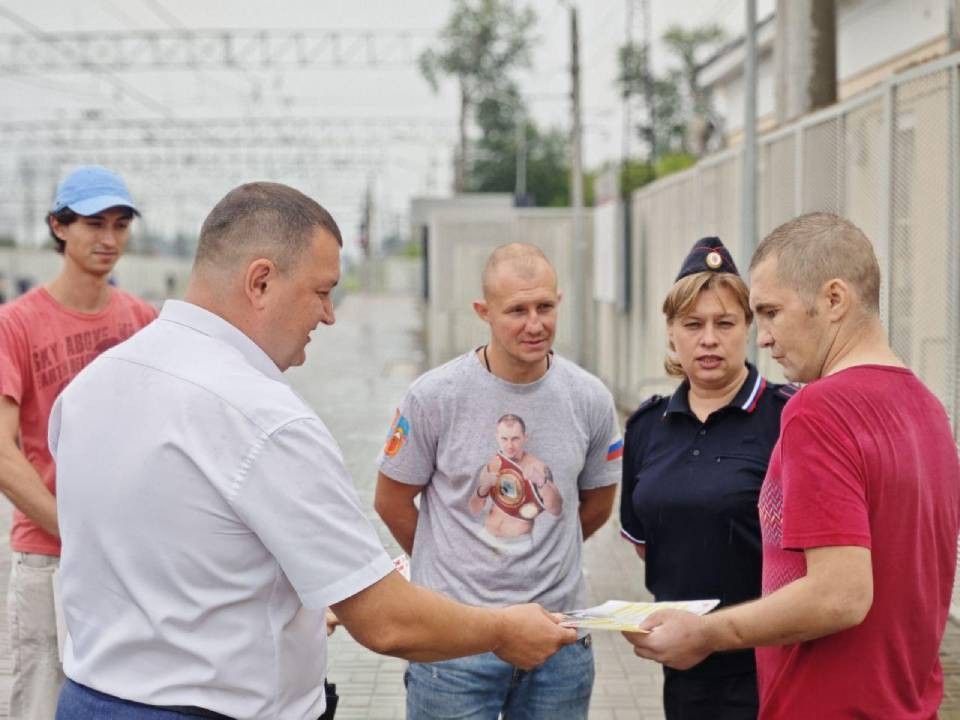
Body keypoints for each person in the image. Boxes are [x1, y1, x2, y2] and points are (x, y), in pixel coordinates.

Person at [49, 183, 576, 720]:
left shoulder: (89, 389)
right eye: (322, 291)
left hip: (89, 698)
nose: (328, 316)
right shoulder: (266, 419)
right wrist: (503, 629)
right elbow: (386, 621)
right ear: (261, 281)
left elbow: (175, 555)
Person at [623, 213, 960, 719]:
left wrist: (708, 634)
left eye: (771, 312)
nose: (764, 336)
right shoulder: (928, 407)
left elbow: (840, 596)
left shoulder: (815, 410)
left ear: (833, 300)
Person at [375, 242, 622, 720]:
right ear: (483, 312)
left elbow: (594, 506)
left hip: (559, 642)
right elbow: (391, 501)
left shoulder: (589, 399)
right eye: (517, 311)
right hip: (454, 648)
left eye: (545, 307)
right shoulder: (433, 397)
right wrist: (447, 567)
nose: (535, 324)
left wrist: (536, 551)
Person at [0, 165, 157, 720]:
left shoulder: (143, 321)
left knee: (125, 701)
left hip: (124, 557)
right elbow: (3, 454)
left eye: (120, 224)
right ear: (58, 227)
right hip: (49, 557)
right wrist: (75, 528)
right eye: (93, 224)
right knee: (41, 701)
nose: (109, 239)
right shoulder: (16, 325)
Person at [621, 236, 793, 719]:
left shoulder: (788, 419)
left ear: (749, 327)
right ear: (672, 332)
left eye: (725, 323)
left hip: (770, 664)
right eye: (693, 324)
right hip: (684, 669)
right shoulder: (645, 427)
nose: (709, 339)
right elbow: (644, 540)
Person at [467, 413, 562, 550]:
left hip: (516, 544)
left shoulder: (538, 467)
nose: (509, 445)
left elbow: (556, 509)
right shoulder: (494, 463)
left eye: (515, 439)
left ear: (525, 438)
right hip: (486, 538)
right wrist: (483, 488)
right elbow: (473, 509)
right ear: (497, 438)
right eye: (504, 439)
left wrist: (541, 482)